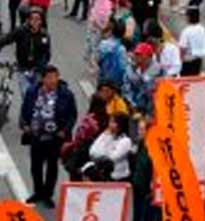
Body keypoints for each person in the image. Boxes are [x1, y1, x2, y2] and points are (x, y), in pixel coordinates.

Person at [20, 65, 77, 208]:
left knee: (52, 166)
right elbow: (25, 109)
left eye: (55, 77)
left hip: (55, 137)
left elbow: (72, 115)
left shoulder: (66, 94)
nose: (52, 81)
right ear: (43, 78)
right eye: (49, 77)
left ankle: (47, 194)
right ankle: (38, 192)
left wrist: (65, 130)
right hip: (36, 135)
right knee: (36, 166)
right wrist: (25, 125)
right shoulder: (32, 91)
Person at [87, 113, 132, 181]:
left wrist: (100, 155)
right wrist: (105, 136)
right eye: (110, 122)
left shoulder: (126, 141)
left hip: (118, 177)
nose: (109, 125)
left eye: (113, 122)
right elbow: (92, 151)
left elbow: (112, 157)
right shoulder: (105, 136)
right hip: (104, 175)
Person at [178, 6, 205, 76]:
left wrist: (180, 59)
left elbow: (182, 48)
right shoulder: (201, 29)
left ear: (189, 17)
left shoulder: (186, 31)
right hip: (198, 61)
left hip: (187, 62)